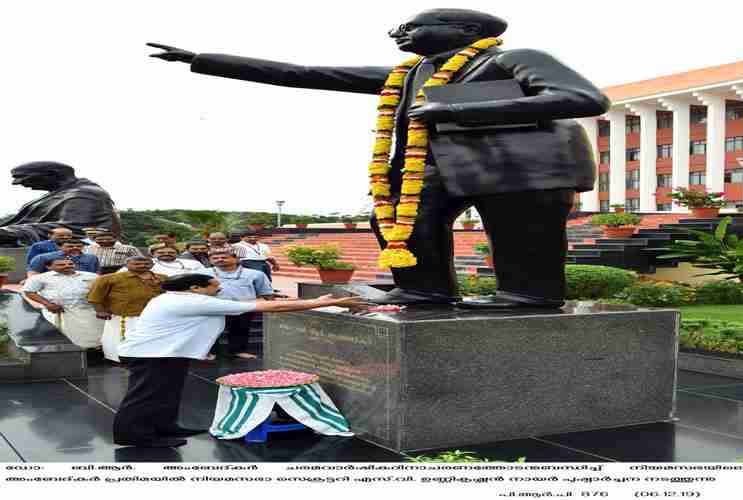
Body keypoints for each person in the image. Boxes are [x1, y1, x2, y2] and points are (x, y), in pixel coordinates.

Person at [148, 8, 609, 308]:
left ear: (469, 32)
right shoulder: (407, 72)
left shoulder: (513, 58)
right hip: (432, 167)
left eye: (412, 27)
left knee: (519, 236)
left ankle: (529, 297)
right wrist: (203, 59)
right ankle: (424, 288)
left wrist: (459, 109)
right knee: (397, 221)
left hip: (521, 167)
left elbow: (584, 98)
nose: (399, 33)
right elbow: (305, 73)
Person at [112, 272, 363, 448]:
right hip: (151, 355)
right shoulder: (187, 301)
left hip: (166, 353)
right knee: (146, 395)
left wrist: (314, 301)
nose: (218, 288)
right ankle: (135, 435)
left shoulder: (182, 298)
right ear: (195, 288)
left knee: (168, 392)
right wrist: (328, 303)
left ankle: (165, 426)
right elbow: (267, 308)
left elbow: (242, 303)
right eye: (214, 285)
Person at [0, 161, 122, 245]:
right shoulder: (57, 193)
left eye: (23, 178)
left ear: (52, 174)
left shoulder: (85, 194)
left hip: (78, 245)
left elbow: (74, 228)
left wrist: (12, 232)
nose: (17, 183)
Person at [87, 256, 167, 362]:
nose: (142, 266)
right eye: (137, 264)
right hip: (123, 316)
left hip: (154, 316)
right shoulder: (108, 278)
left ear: (152, 265)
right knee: (120, 339)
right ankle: (119, 359)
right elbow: (94, 296)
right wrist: (100, 311)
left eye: (146, 263)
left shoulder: (163, 278)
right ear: (126, 265)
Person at [200, 249, 273, 360]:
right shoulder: (202, 273)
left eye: (224, 257)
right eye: (215, 258)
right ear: (210, 260)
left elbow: (265, 292)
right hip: (212, 308)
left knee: (240, 330)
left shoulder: (255, 274)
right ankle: (210, 352)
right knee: (210, 331)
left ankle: (238, 351)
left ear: (236, 259)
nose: (220, 260)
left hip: (242, 307)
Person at [22, 257, 104, 348]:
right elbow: (29, 291)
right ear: (49, 267)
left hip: (88, 311)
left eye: (70, 264)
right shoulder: (40, 278)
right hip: (59, 311)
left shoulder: (91, 276)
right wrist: (48, 304)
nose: (67, 266)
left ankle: (94, 352)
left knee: (94, 335)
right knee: (69, 338)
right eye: (61, 264)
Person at [28, 239, 100, 277]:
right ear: (59, 247)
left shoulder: (92, 257)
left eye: (79, 246)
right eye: (70, 246)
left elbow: (96, 272)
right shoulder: (42, 257)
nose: (75, 248)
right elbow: (33, 274)